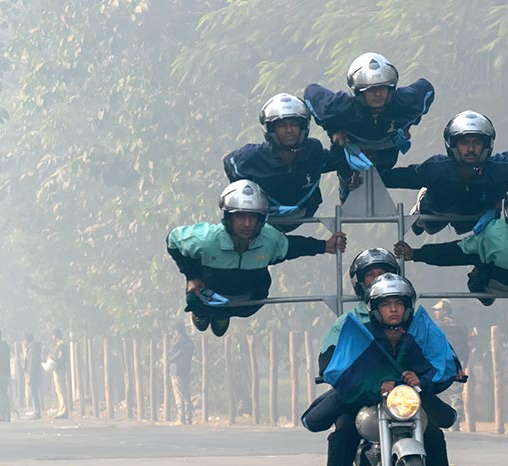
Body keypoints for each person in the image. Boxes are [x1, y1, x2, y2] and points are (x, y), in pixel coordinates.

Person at [305, 273, 463, 466]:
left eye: (399, 304)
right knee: (343, 429)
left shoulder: (420, 329)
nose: (393, 310)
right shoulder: (358, 332)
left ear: (408, 307)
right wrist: (373, 385)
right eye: (386, 304)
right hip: (364, 399)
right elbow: (340, 368)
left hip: (406, 400)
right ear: (374, 308)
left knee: (433, 430)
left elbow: (441, 360)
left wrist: (421, 379)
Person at [167, 179, 347, 337]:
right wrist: (191, 276)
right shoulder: (206, 239)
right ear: (228, 217)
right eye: (240, 216)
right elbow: (172, 240)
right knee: (197, 302)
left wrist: (324, 246)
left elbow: (290, 247)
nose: (247, 224)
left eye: (252, 217)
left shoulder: (270, 239)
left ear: (260, 219)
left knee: (254, 293)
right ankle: (204, 313)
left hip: (246, 300)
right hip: (208, 295)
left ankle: (223, 315)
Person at [394, 180, 508, 316]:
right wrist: (416, 254)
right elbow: (455, 253)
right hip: (492, 286)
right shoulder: (492, 235)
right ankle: (484, 292)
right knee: (476, 264)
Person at [304, 52, 434, 201]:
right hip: (350, 152)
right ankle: (346, 184)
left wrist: (407, 124)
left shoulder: (402, 101)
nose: (378, 94)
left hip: (386, 153)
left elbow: (427, 90)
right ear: (358, 91)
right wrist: (332, 129)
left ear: (391, 88)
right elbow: (310, 93)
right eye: (371, 90)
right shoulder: (342, 105)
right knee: (351, 195)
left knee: (377, 184)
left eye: (382, 88)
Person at [380, 110, 508, 235]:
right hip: (437, 210)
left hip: (475, 214)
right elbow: (400, 177)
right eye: (464, 143)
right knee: (429, 227)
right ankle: (420, 208)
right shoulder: (436, 169)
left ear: (487, 145)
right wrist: (362, 175)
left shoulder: (499, 168)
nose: (471, 150)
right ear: (452, 145)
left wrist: (501, 193)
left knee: (465, 229)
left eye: (477, 143)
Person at [223, 93, 340, 232]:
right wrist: (249, 192)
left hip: (303, 214)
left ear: (303, 127)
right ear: (271, 129)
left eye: (294, 124)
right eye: (282, 125)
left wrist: (336, 132)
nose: (289, 130)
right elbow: (229, 163)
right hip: (266, 219)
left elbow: (335, 160)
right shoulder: (251, 156)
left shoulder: (313, 150)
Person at [317, 248, 401, 372]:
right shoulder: (347, 322)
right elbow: (328, 362)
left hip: (406, 387)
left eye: (382, 273)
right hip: (361, 387)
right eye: (370, 275)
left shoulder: (409, 318)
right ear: (360, 282)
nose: (377, 279)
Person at [431, 299, 470, 431]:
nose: (436, 312)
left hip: (440, 363)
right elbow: (467, 346)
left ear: (445, 310)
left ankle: (434, 421)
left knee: (435, 391)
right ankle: (456, 423)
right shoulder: (461, 326)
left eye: (438, 310)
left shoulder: (436, 325)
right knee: (456, 393)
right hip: (457, 363)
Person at [167, 322, 194, 425]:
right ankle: (188, 418)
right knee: (187, 395)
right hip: (187, 370)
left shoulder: (179, 343)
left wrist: (173, 342)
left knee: (179, 395)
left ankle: (181, 418)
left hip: (177, 371)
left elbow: (171, 356)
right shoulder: (189, 342)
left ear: (177, 331)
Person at [49, 328, 70, 419]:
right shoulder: (59, 345)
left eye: (53, 335)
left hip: (59, 369)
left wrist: (53, 358)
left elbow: (60, 358)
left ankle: (63, 410)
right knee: (59, 390)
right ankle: (62, 409)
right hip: (58, 369)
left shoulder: (61, 345)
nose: (52, 337)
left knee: (61, 389)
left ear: (56, 335)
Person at [22, 333, 43, 420]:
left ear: (27, 340)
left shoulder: (32, 350)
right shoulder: (33, 349)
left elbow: (31, 364)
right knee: (34, 393)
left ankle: (37, 412)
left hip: (33, 375)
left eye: (24, 340)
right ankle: (36, 411)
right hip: (35, 374)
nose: (23, 342)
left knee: (34, 393)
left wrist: (29, 376)